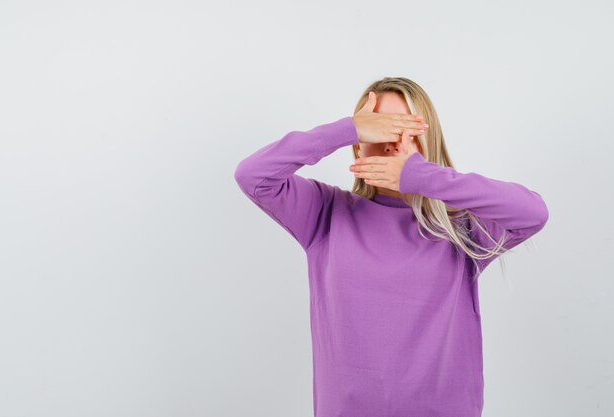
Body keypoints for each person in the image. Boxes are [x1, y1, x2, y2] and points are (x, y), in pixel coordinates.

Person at [233, 77, 549, 417]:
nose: (392, 143)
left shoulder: (461, 229)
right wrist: (347, 129)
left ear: (428, 144)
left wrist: (422, 176)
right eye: (379, 129)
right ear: (357, 146)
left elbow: (533, 212)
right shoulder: (324, 213)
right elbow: (253, 175)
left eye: (407, 129)